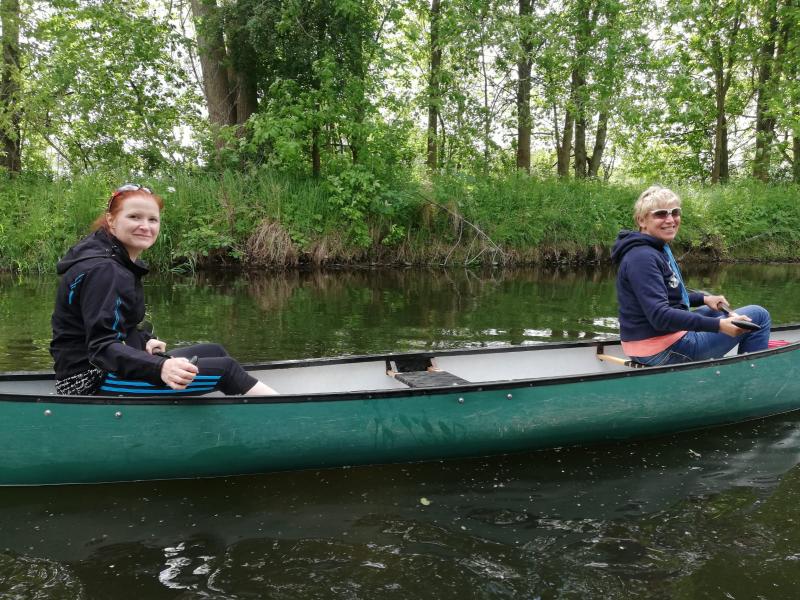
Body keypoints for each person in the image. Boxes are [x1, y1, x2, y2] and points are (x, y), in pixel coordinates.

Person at [50, 183, 278, 396]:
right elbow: (101, 347)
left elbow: (114, 325)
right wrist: (160, 366)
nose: (145, 226)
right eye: (134, 217)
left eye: (153, 219)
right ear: (111, 220)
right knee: (225, 369)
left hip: (103, 369)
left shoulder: (115, 261)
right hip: (89, 381)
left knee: (214, 351)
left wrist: (142, 341)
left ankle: (231, 409)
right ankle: (288, 413)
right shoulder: (105, 269)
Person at [611, 185, 771, 366]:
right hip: (661, 349)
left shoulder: (653, 249)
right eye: (661, 214)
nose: (670, 220)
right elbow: (660, 316)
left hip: (650, 342)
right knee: (759, 315)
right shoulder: (643, 257)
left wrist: (703, 299)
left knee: (713, 310)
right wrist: (719, 326)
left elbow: (667, 296)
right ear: (642, 220)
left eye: (675, 212)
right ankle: (750, 377)